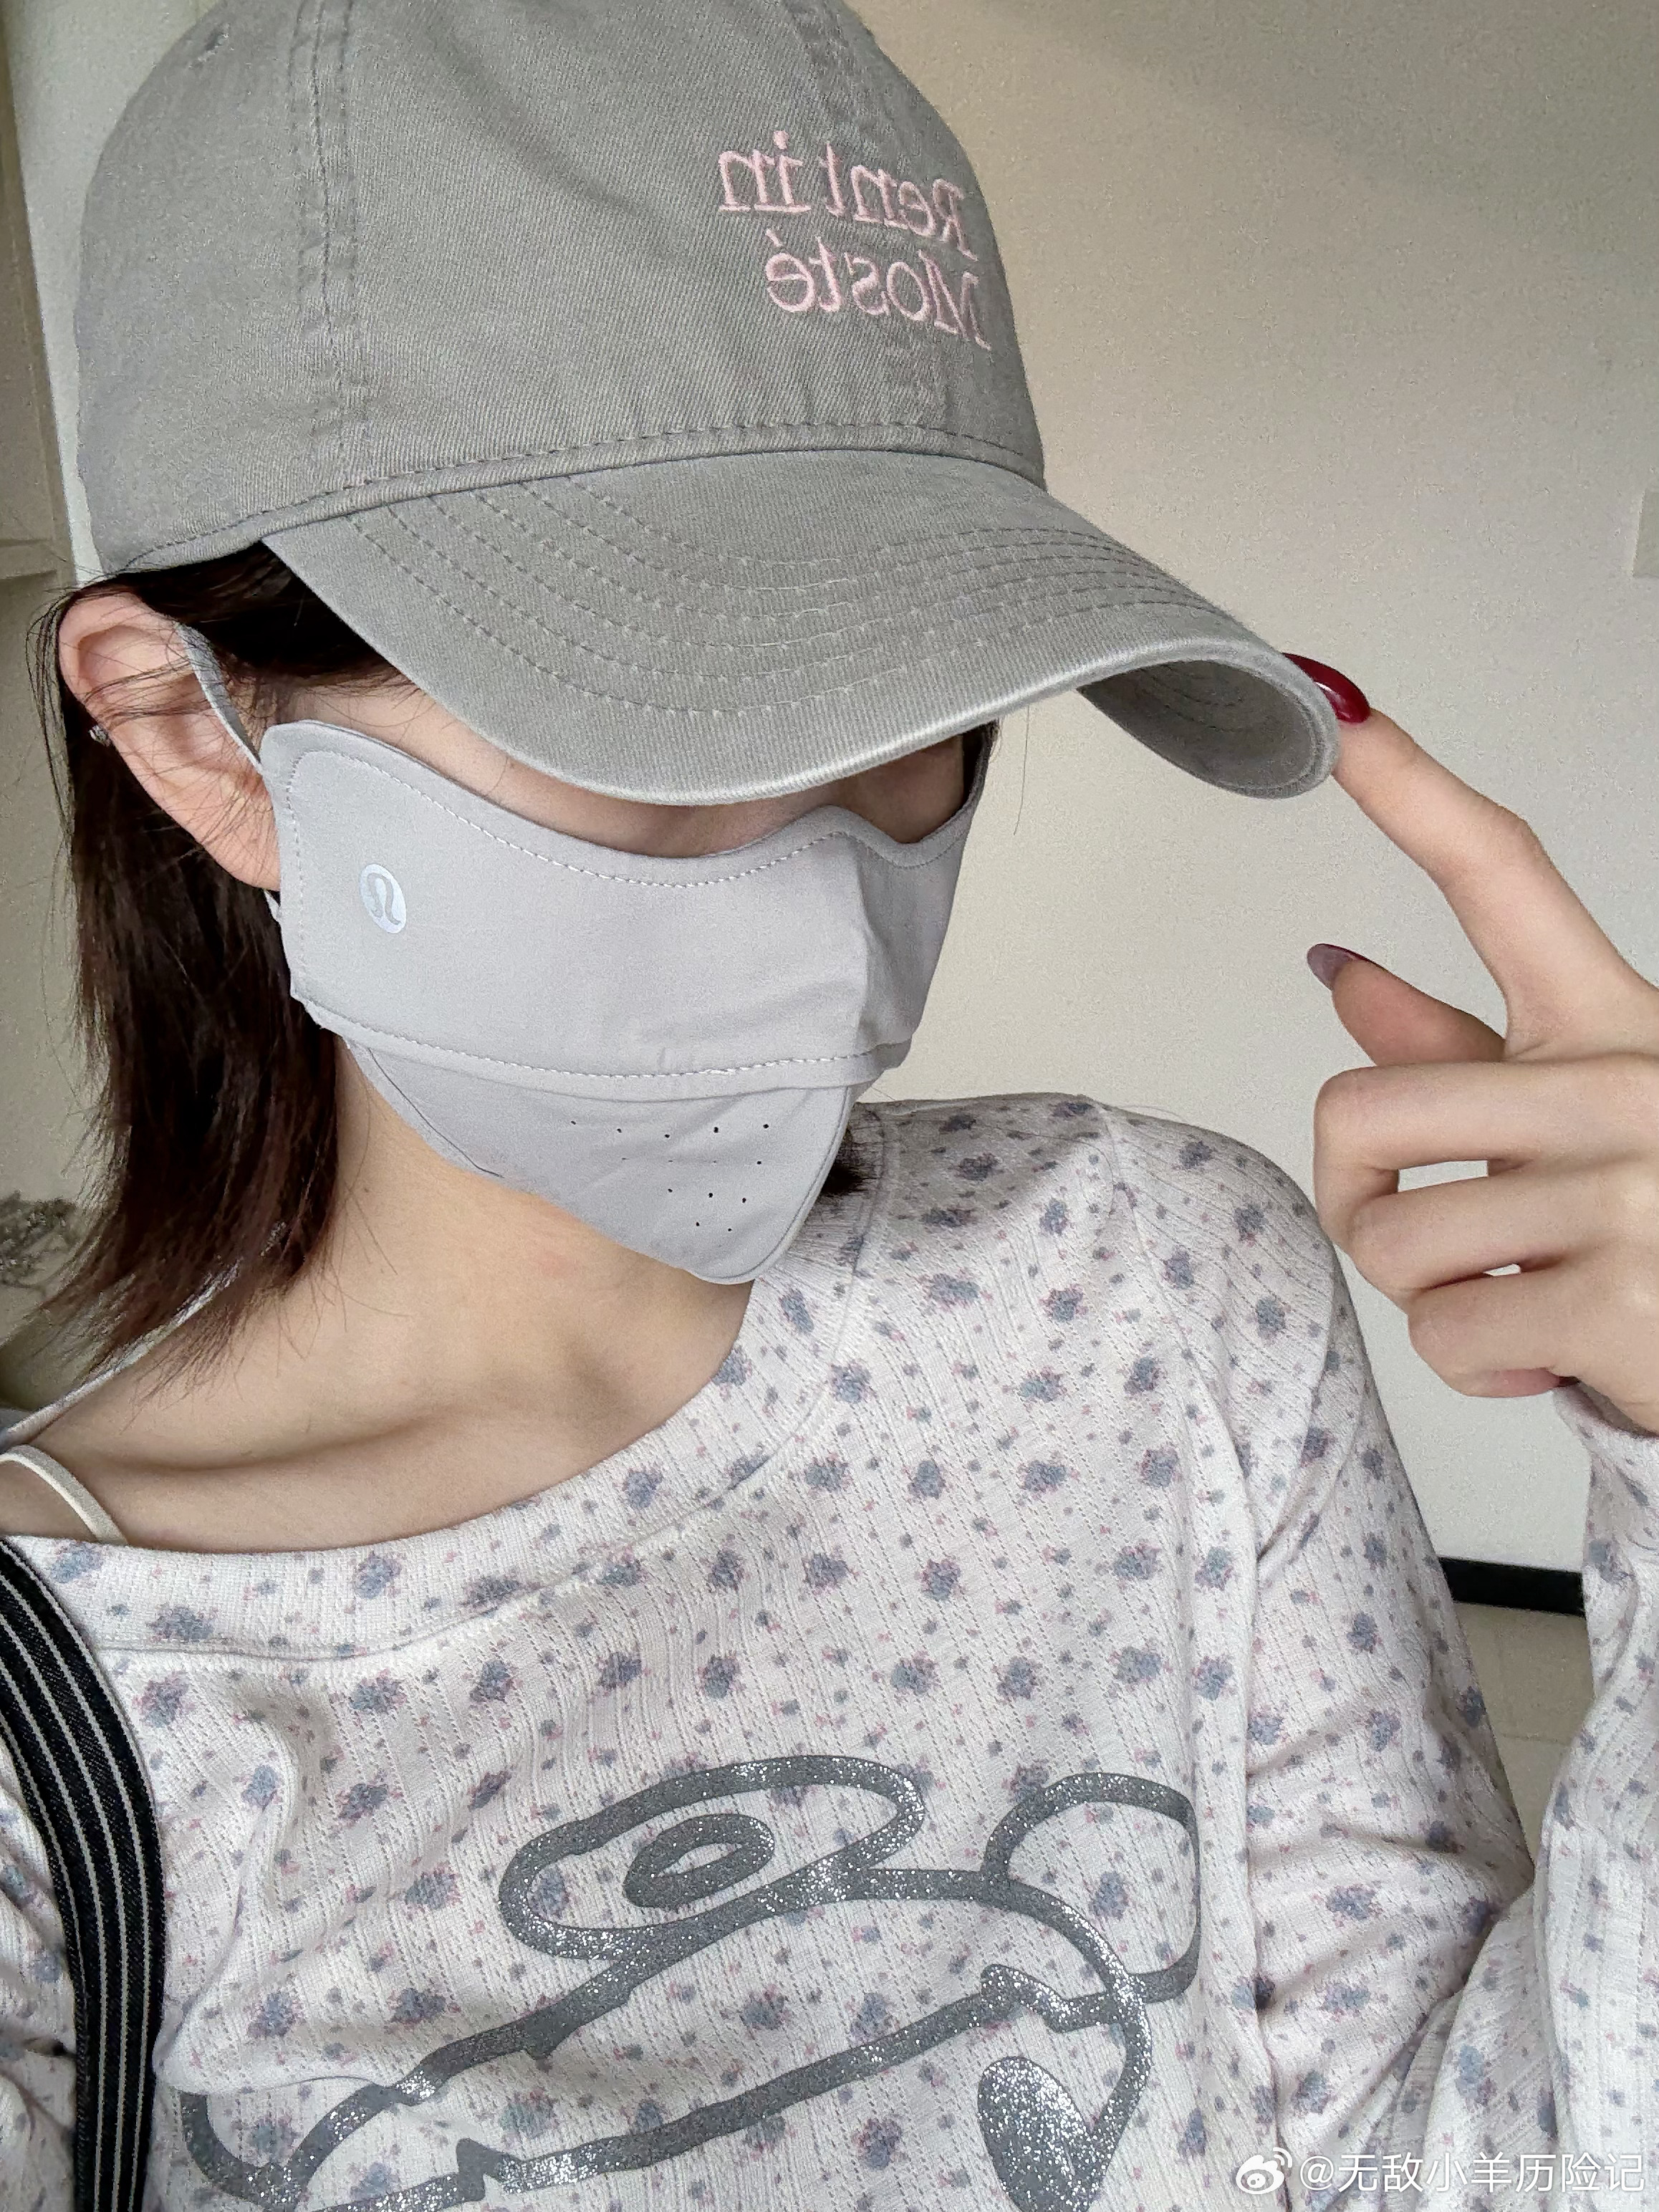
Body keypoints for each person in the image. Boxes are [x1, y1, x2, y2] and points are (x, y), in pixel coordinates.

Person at [1, 3, 1654, 2206]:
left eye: (914, 709)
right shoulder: (69, 1724)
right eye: (663, 718)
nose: (818, 893)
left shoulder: (1149, 1287)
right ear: (194, 731)